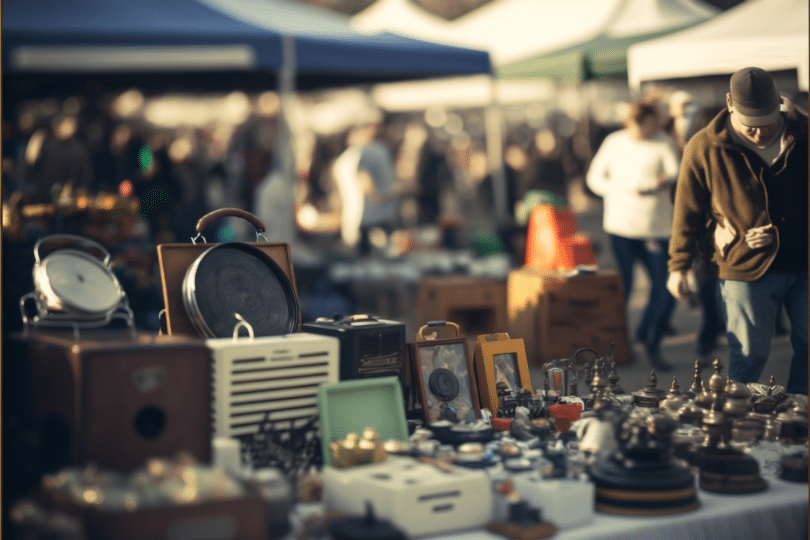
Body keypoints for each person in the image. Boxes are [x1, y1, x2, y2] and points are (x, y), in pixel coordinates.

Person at [667, 67, 808, 395]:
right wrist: (679, 266)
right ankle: (736, 428)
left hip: (805, 263)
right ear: (730, 104)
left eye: (768, 122)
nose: (760, 133)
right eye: (751, 126)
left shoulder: (803, 134)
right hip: (744, 268)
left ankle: (799, 424)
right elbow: (686, 212)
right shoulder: (704, 146)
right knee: (749, 355)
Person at [586, 99, 681, 372]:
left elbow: (674, 171)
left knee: (664, 288)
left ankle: (650, 338)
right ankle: (618, 346)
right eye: (637, 126)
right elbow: (594, 179)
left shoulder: (663, 141)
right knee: (623, 288)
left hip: (657, 228)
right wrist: (630, 187)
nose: (642, 131)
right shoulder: (614, 142)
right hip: (622, 226)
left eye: (647, 125)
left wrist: (660, 183)